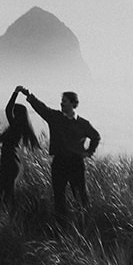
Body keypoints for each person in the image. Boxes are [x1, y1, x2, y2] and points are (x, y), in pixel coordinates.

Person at [21, 88, 100, 217]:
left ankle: (84, 224)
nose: (61, 103)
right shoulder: (55, 117)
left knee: (80, 196)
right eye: (61, 101)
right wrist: (29, 96)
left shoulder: (83, 123)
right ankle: (60, 229)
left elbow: (96, 137)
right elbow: (42, 109)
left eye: (64, 101)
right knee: (59, 196)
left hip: (76, 163)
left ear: (73, 104)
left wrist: (89, 152)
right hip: (59, 162)